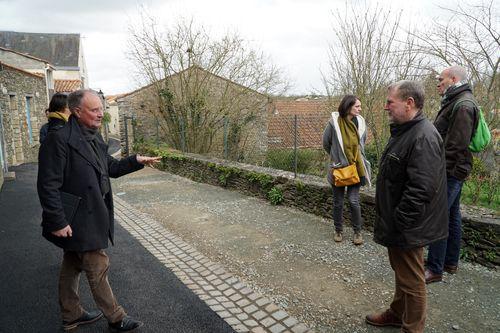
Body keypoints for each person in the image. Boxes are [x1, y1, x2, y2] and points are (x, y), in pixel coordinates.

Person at [37, 89, 161, 332]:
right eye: (94, 110)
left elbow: (111, 168)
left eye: (101, 109)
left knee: (72, 264)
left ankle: (71, 314)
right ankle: (116, 317)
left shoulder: (95, 136)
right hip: (76, 217)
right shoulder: (59, 139)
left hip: (94, 212)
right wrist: (58, 221)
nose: (101, 114)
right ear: (77, 111)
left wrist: (136, 161)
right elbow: (47, 185)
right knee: (98, 264)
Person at [365, 81, 448, 333]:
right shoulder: (406, 131)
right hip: (402, 225)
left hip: (409, 227)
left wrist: (400, 221)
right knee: (403, 273)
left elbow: (421, 189)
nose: (385, 106)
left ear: (409, 103)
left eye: (390, 102)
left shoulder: (423, 136)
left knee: (413, 282)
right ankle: (397, 313)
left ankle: (412, 329)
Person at [425, 65, 479, 283]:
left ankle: (435, 267)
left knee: (439, 216)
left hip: (450, 171)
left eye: (441, 79)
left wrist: (439, 171)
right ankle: (450, 262)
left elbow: (456, 146)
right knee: (452, 215)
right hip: (454, 169)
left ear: (453, 79)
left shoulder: (463, 104)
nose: (438, 83)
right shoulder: (457, 100)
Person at [322, 95, 371, 245]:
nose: (360, 109)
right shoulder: (334, 123)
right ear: (348, 106)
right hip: (339, 169)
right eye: (357, 106)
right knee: (338, 202)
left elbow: (363, 143)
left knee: (353, 200)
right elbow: (326, 143)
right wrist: (337, 158)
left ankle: (357, 232)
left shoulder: (361, 123)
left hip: (356, 169)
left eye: (360, 106)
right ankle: (338, 230)